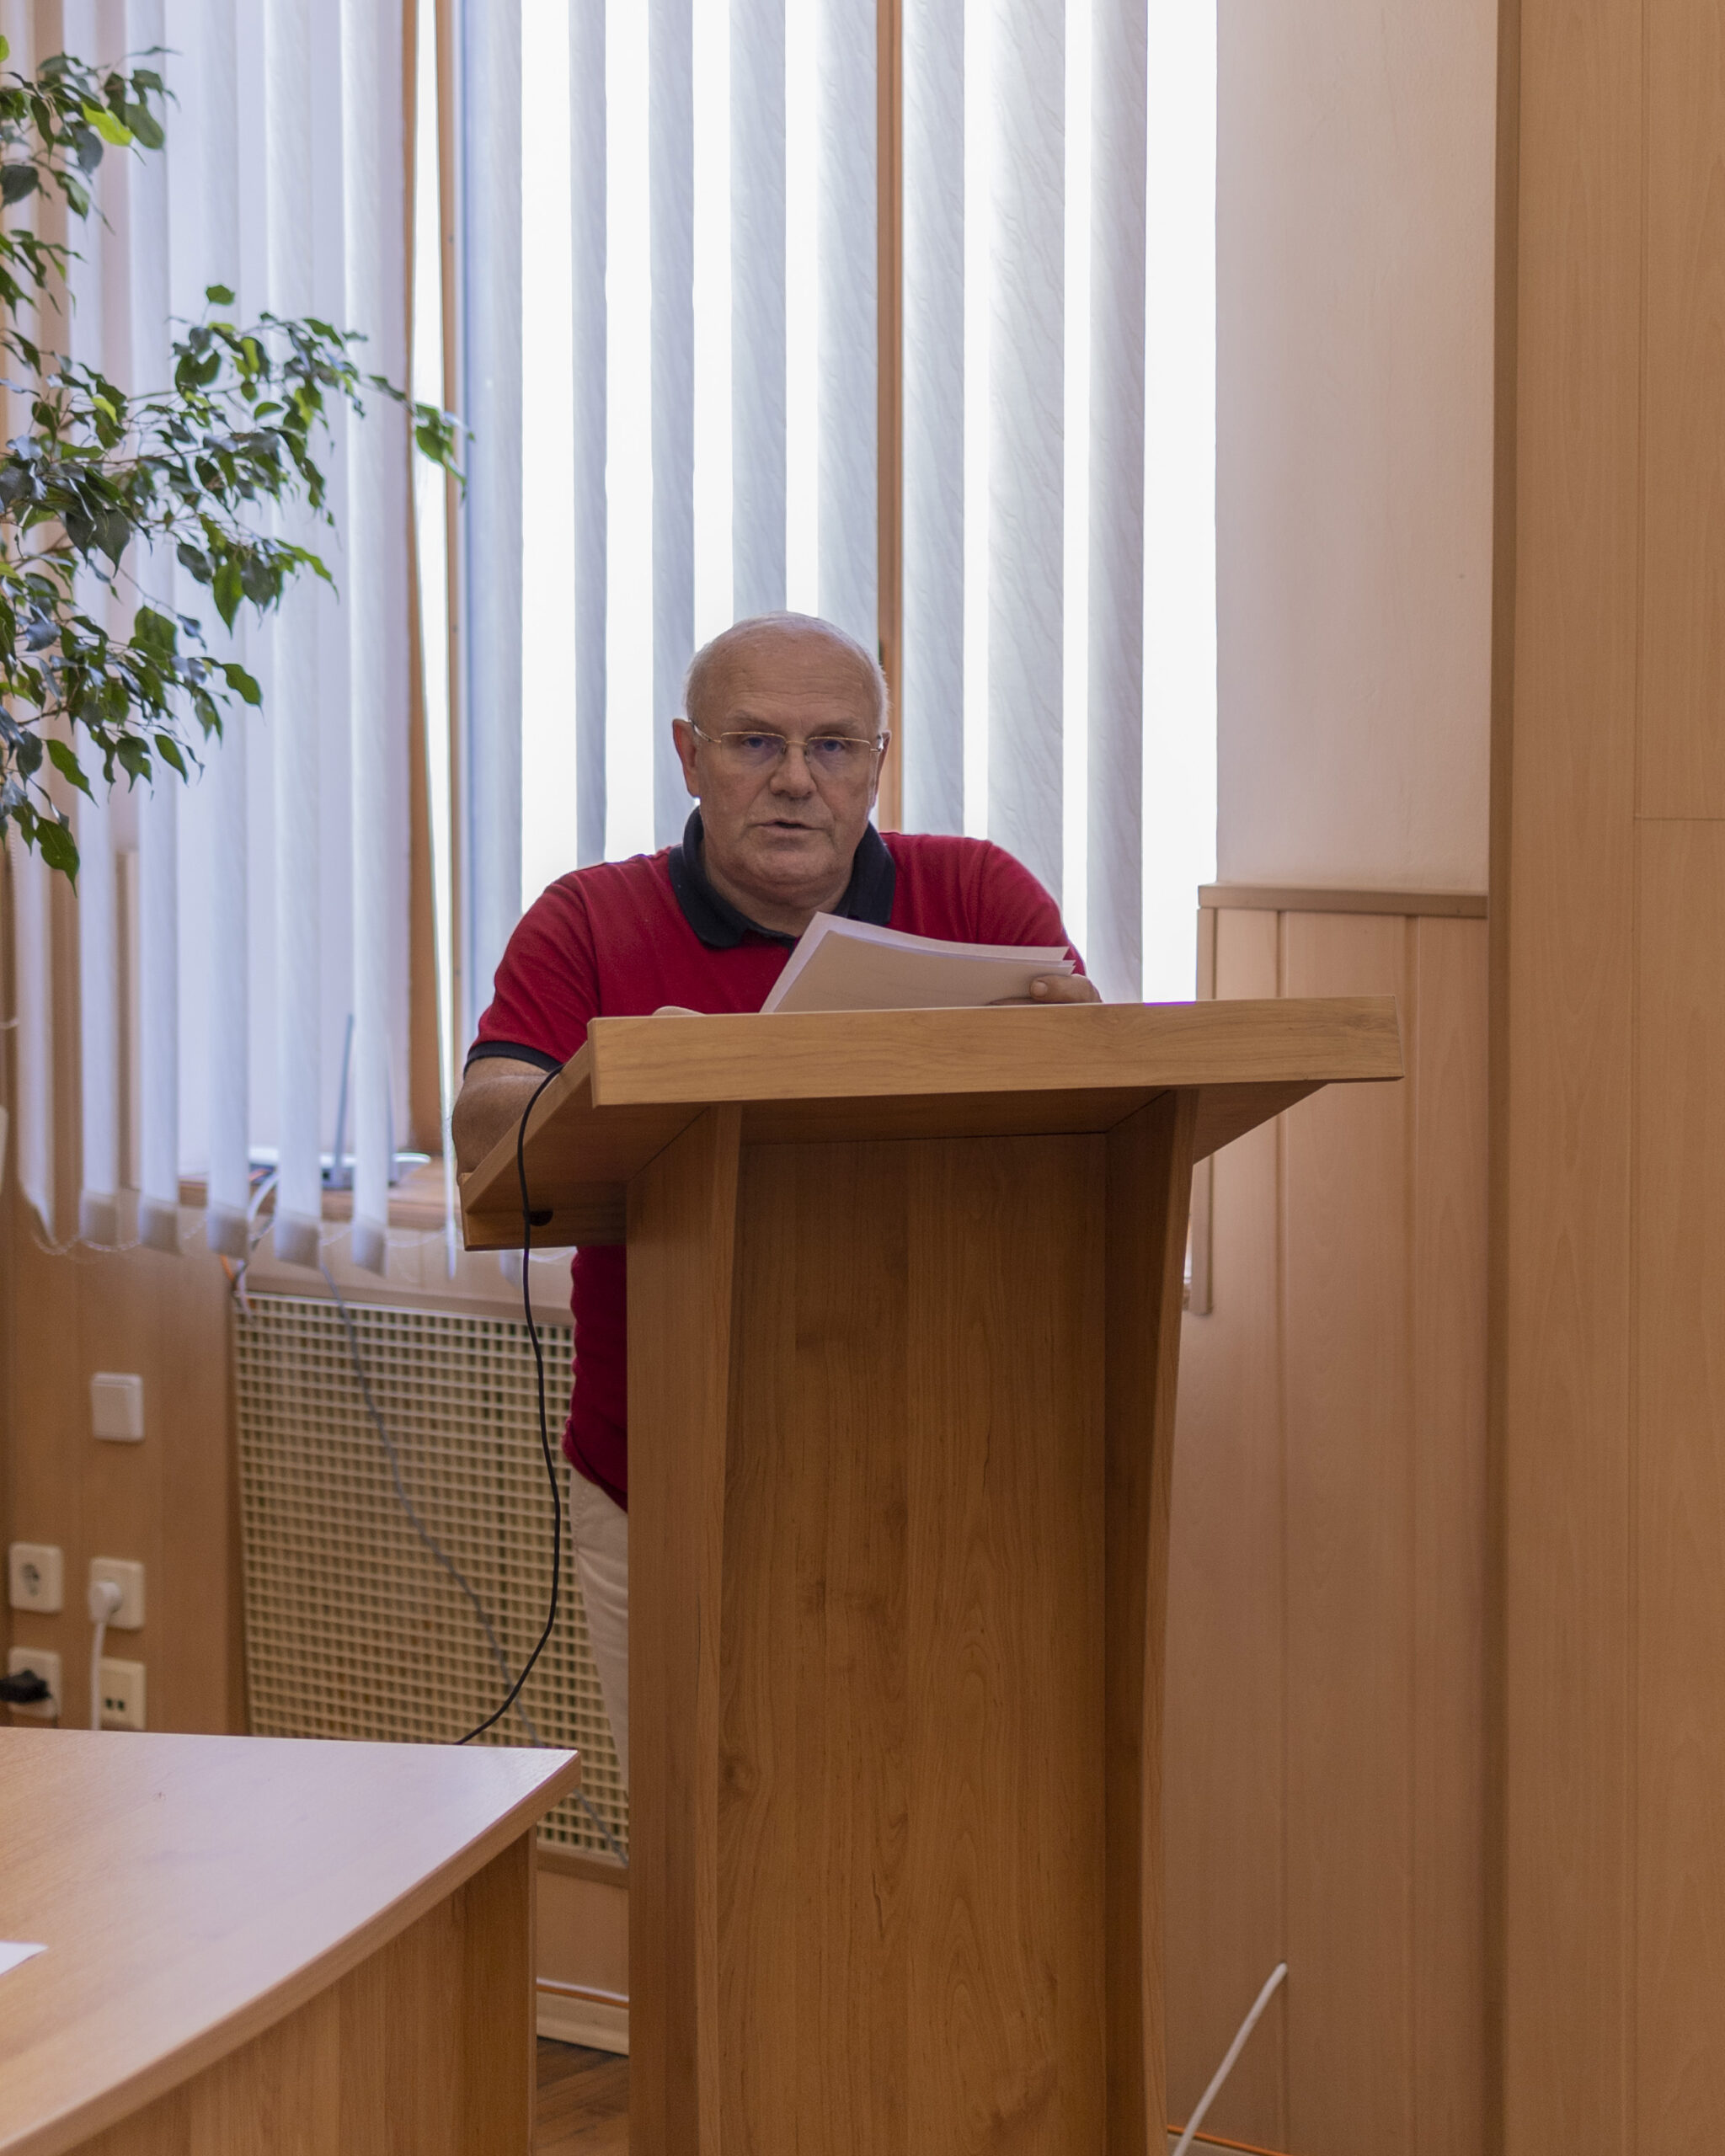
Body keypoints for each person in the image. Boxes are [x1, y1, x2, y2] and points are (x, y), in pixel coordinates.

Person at [452, 611, 1098, 1783]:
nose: (796, 779)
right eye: (755, 742)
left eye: (833, 745)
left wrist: (1081, 1055)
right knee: (701, 1827)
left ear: (877, 765)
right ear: (688, 756)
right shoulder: (587, 917)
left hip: (949, 1467)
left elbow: (1094, 1114)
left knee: (944, 1817)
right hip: (666, 1473)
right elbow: (486, 1127)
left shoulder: (979, 893)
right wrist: (630, 1074)